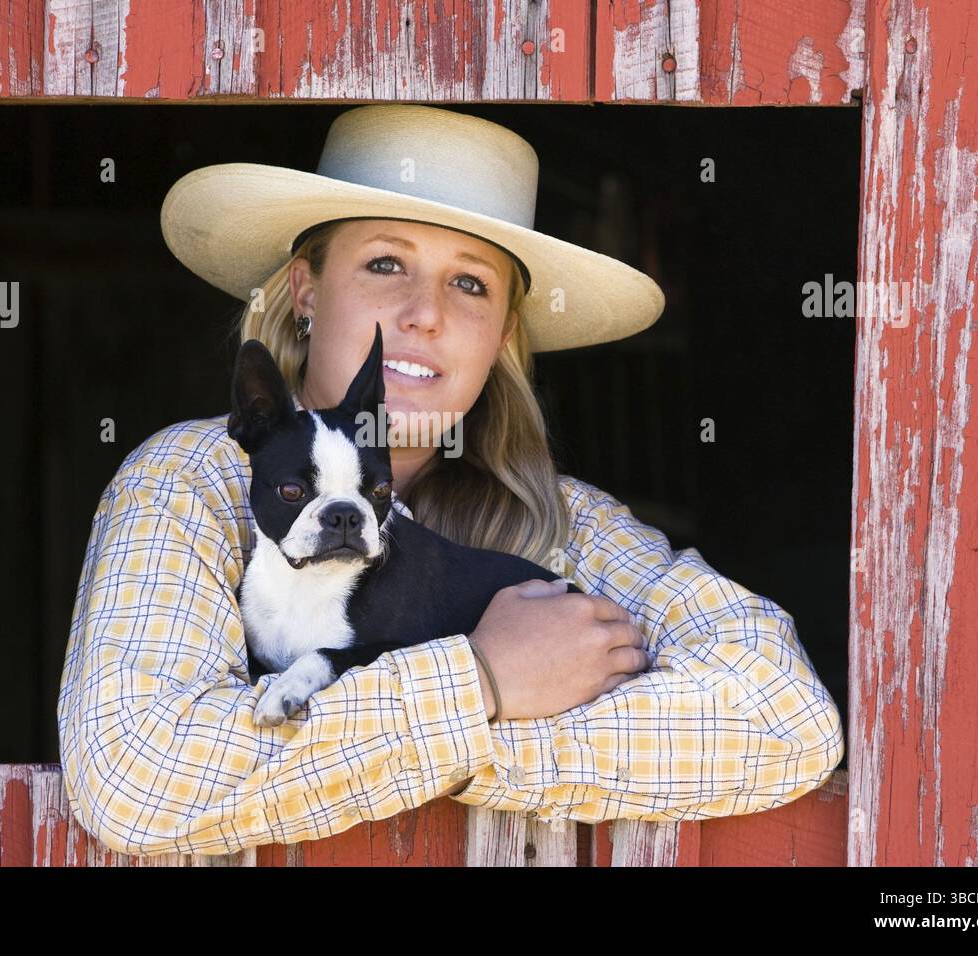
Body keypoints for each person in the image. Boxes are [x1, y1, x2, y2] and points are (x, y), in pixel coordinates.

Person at [56, 104, 845, 858]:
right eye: (385, 263)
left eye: (469, 283)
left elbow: (784, 719)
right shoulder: (194, 480)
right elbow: (139, 776)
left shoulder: (573, 529)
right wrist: (482, 682)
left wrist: (381, 747)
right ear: (304, 291)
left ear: (502, 333)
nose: (423, 313)